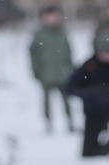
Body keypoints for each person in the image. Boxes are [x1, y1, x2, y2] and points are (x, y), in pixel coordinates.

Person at [64, 29, 109, 158]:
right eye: (104, 52)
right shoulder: (90, 65)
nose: (107, 56)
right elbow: (71, 87)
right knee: (89, 148)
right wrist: (92, 94)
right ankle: (92, 152)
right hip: (94, 109)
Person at [28, 5, 74, 134]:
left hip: (62, 74)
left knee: (66, 100)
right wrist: (36, 70)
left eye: (54, 16)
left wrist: (70, 68)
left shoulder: (63, 32)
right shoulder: (39, 35)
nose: (52, 19)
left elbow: (68, 52)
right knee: (46, 101)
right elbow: (33, 55)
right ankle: (48, 123)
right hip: (45, 73)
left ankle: (70, 122)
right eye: (49, 16)